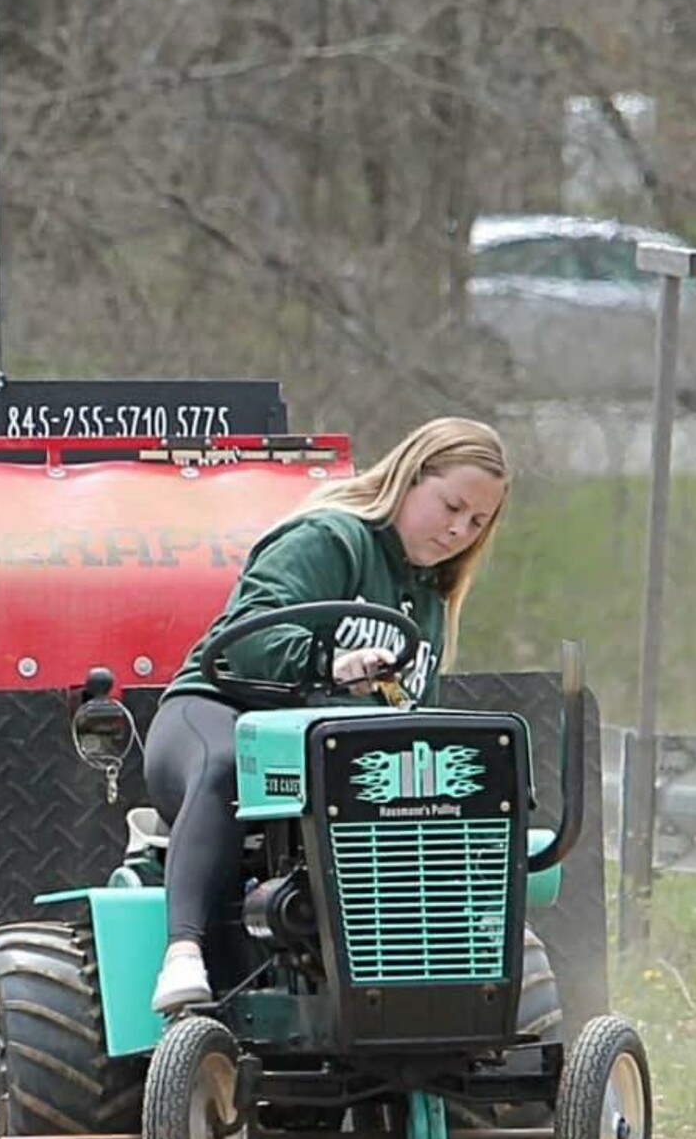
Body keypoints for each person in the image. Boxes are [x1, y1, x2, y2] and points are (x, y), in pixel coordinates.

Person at [145, 416, 509, 1014]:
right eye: (451, 506)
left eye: (477, 522)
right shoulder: (329, 539)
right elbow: (240, 642)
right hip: (218, 715)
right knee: (230, 765)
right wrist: (327, 662)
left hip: (330, 766)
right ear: (409, 477)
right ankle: (183, 951)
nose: (458, 531)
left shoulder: (431, 601)